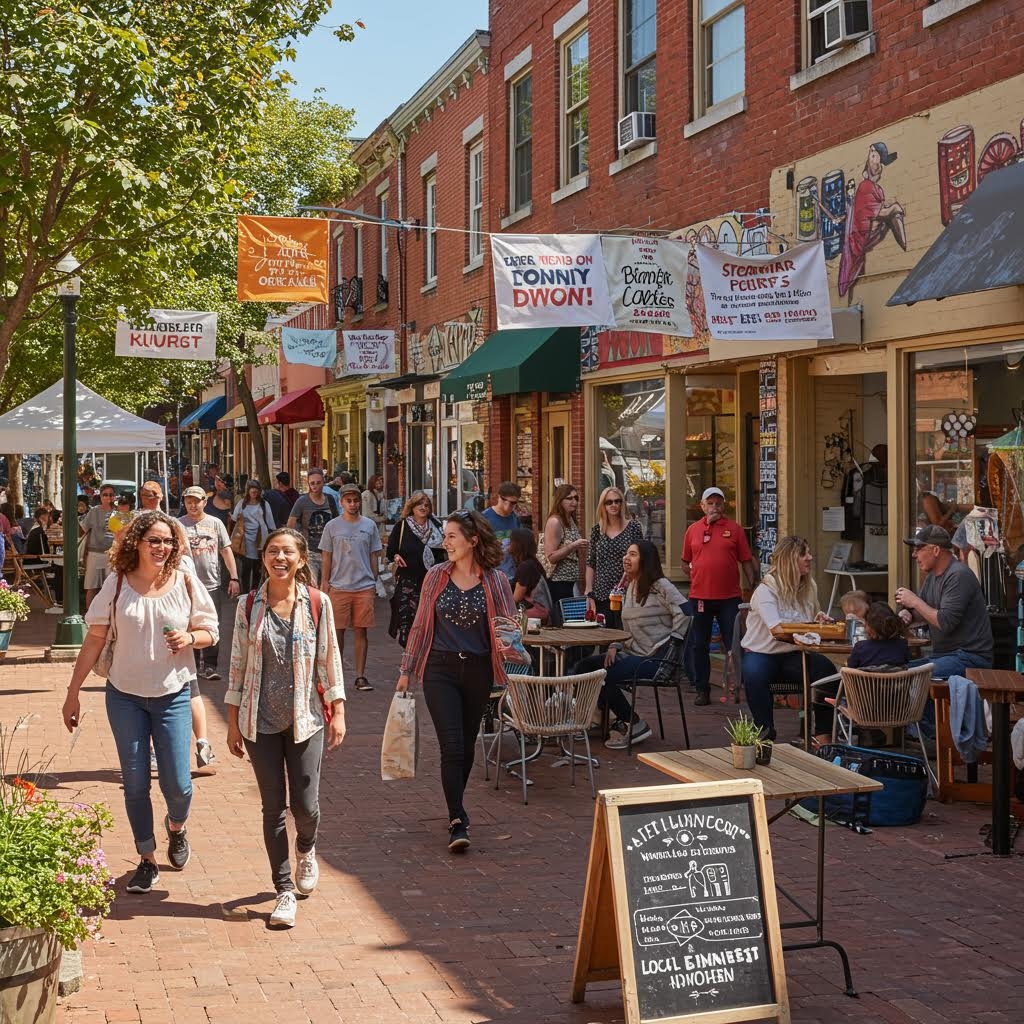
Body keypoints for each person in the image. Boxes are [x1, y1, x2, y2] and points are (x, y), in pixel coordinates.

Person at [61, 511, 219, 895]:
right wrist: (73, 691)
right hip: (125, 696)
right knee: (134, 783)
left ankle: (176, 828)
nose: (162, 547)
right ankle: (146, 859)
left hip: (174, 694)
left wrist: (190, 639)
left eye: (168, 541)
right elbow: (95, 639)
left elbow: (210, 630)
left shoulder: (184, 579)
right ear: (137, 543)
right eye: (154, 540)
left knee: (178, 785)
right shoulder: (116, 584)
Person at [225, 527, 346, 928]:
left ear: (300, 559)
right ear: (263, 558)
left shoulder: (317, 603)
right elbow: (238, 664)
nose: (280, 558)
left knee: (305, 806)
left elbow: (329, 657)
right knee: (273, 807)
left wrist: (338, 709)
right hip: (258, 721)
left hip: (306, 718)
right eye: (273, 551)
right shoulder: (247, 606)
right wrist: (231, 720)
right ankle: (283, 891)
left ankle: (307, 849)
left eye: (287, 552)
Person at [396, 510, 526, 852]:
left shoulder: (495, 580)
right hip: (439, 669)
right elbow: (421, 625)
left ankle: (457, 802)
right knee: (452, 745)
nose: (445, 542)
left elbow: (508, 627)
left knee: (467, 745)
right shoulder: (436, 576)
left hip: (479, 671)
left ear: (472, 541)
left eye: (452, 536)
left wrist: (513, 655)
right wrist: (406, 670)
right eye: (445, 535)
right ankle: (457, 818)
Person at [573, 541, 690, 750]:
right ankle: (602, 719)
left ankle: (634, 723)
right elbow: (624, 625)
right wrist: (615, 644)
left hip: (656, 658)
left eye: (633, 554)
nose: (626, 558)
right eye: (626, 553)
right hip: (633, 652)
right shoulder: (630, 585)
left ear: (645, 560)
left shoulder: (661, 585)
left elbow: (686, 611)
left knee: (603, 675)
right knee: (584, 668)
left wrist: (674, 642)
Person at [740, 536, 839, 743]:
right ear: (790, 560)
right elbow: (777, 630)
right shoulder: (766, 590)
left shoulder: (808, 586)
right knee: (754, 673)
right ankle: (765, 732)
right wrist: (809, 632)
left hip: (792, 654)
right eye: (804, 554)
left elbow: (805, 621)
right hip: (762, 652)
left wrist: (818, 622)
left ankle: (822, 737)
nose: (810, 558)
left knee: (827, 672)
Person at [681, 486, 756, 707]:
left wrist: (753, 587)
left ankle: (740, 685)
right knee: (699, 644)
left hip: (729, 597)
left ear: (724, 505)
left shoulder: (735, 529)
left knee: (734, 643)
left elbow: (746, 560)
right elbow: (685, 563)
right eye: (710, 503)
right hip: (700, 597)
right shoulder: (692, 530)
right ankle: (701, 689)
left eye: (718, 503)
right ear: (702, 506)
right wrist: (697, 574)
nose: (714, 507)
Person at [896, 525, 993, 680]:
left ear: (935, 550)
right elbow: (924, 612)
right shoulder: (932, 577)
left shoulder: (958, 576)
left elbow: (945, 621)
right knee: (896, 670)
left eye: (919, 548)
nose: (914, 555)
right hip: (944, 656)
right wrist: (907, 613)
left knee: (906, 676)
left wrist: (914, 601)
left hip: (970, 658)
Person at [319, 484, 381, 692]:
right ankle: (336, 676)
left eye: (355, 500)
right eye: (348, 501)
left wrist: (375, 577)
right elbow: (326, 556)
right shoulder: (332, 527)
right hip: (339, 585)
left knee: (361, 631)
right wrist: (324, 582)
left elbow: (374, 553)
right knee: (337, 633)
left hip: (364, 586)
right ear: (342, 502)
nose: (352, 504)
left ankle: (360, 675)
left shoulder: (369, 525)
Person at [179, 485, 240, 683]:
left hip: (211, 584)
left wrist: (234, 577)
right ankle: (194, 665)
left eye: (196, 500)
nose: (192, 504)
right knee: (189, 623)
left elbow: (226, 550)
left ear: (205, 502)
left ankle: (211, 665)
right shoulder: (178, 525)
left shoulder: (215, 524)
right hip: (186, 584)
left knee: (212, 624)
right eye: (189, 501)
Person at [386, 491, 446, 647]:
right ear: (412, 506)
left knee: (430, 621)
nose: (423, 507)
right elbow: (391, 551)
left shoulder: (437, 525)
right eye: (419, 504)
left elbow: (445, 549)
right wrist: (396, 557)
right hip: (409, 582)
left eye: (426, 504)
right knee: (409, 621)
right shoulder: (402, 526)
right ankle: (410, 657)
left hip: (433, 581)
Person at [585, 486, 643, 627]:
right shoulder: (597, 530)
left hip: (627, 589)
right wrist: (589, 590)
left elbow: (642, 557)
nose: (614, 505)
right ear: (603, 505)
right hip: (602, 591)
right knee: (605, 633)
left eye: (617, 501)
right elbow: (591, 561)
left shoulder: (633, 527)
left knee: (627, 632)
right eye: (609, 502)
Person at [287, 468, 339, 586]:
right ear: (308, 484)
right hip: (310, 551)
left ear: (323, 482)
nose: (315, 486)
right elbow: (290, 524)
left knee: (328, 586)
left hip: (329, 550)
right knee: (312, 586)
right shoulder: (302, 501)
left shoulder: (329, 499)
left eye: (318, 483)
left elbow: (336, 521)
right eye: (312, 483)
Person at [543, 483, 587, 615]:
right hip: (558, 582)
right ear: (560, 500)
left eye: (576, 498)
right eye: (569, 498)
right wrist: (573, 545)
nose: (574, 502)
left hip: (571, 582)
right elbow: (551, 557)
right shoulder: (555, 522)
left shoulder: (571, 520)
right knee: (561, 621)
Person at [233, 480, 276, 593]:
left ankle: (255, 593)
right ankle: (245, 594)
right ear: (248, 490)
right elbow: (234, 518)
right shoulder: (242, 503)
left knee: (258, 568)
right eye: (251, 488)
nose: (254, 490)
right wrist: (237, 518)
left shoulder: (264, 504)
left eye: (256, 488)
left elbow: (270, 523)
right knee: (246, 568)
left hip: (260, 539)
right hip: (245, 540)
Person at [80, 483, 117, 609]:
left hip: (112, 554)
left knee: (111, 587)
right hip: (94, 553)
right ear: (100, 497)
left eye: (111, 495)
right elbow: (82, 530)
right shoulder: (94, 511)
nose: (108, 497)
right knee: (92, 586)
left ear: (115, 497)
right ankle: (89, 617)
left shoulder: (120, 512)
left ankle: (109, 616)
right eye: (105, 495)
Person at [509, 527, 553, 624]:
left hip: (532, 615)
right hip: (541, 612)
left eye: (511, 542)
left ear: (517, 544)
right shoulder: (534, 563)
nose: (509, 545)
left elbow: (516, 598)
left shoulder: (526, 567)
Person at [848, 602, 911, 669]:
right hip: (897, 679)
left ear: (869, 626)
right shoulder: (902, 645)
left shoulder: (860, 648)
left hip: (866, 679)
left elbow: (849, 669)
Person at [481, 481, 521, 578]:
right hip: (491, 574)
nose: (507, 506)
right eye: (504, 501)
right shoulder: (485, 518)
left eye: (513, 503)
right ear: (499, 497)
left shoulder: (515, 518)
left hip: (511, 573)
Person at [24, 506, 62, 604]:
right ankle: (59, 596)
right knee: (59, 565)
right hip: (36, 559)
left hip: (31, 558)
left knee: (58, 563)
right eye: (47, 516)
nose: (49, 519)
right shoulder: (39, 531)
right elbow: (44, 551)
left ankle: (58, 593)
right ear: (42, 517)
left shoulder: (35, 529)